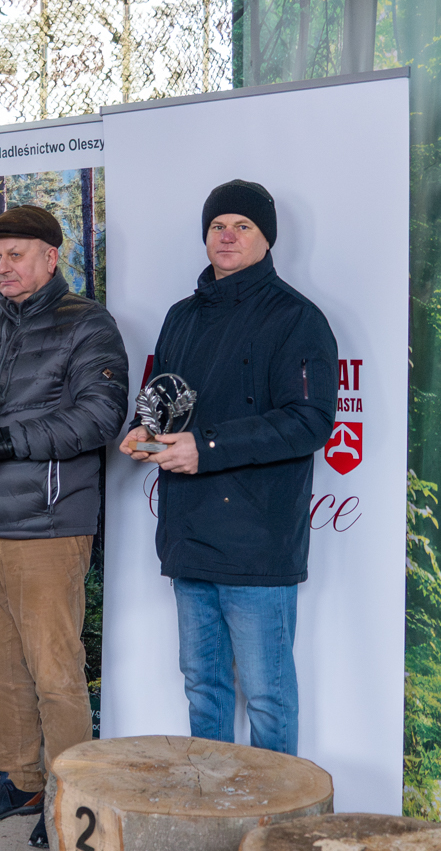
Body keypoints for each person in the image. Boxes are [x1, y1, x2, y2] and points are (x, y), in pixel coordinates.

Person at [0, 205, 127, 848]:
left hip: (46, 525)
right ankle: (23, 777)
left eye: (17, 255)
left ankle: (72, 799)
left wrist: (12, 440)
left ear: (51, 258)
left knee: (55, 671)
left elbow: (100, 415)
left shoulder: (86, 324)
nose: (3, 267)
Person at [120, 179, 337, 756]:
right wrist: (144, 428)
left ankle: (272, 827)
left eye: (243, 226)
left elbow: (311, 421)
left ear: (267, 238)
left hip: (258, 536)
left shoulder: (298, 318)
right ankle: (209, 808)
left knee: (267, 696)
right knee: (204, 687)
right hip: (188, 531)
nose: (227, 236)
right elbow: (160, 394)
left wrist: (207, 447)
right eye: (218, 226)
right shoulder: (181, 316)